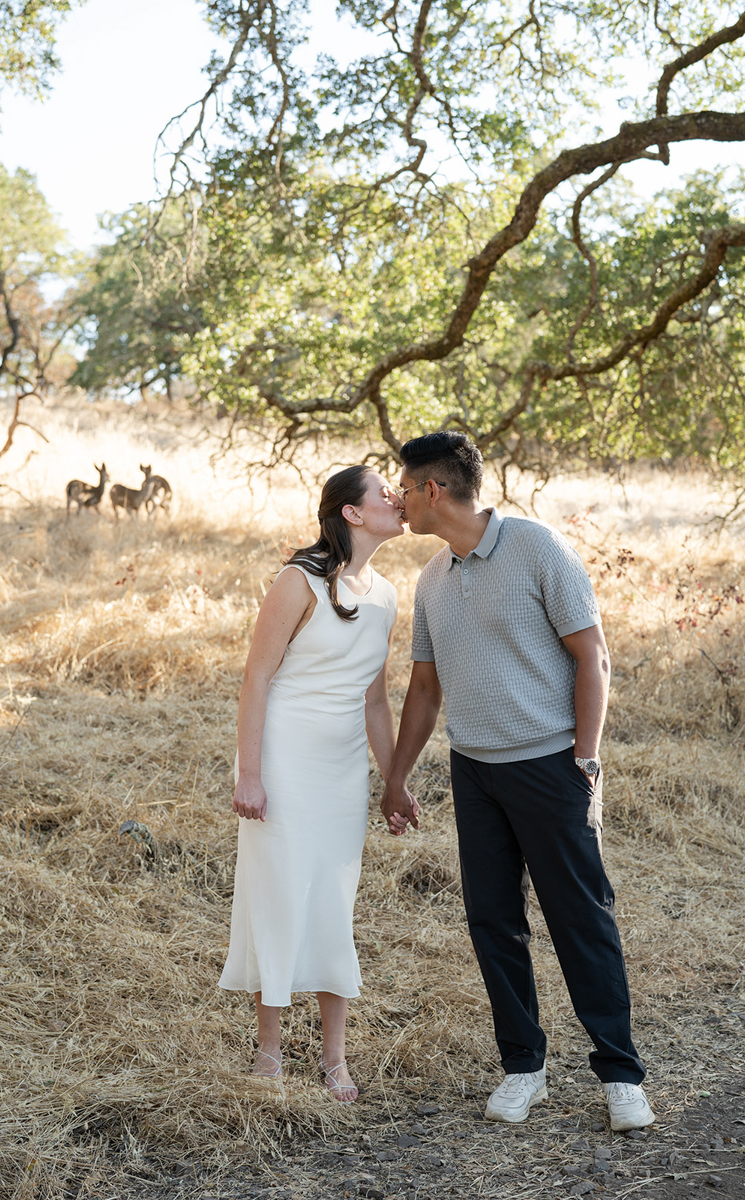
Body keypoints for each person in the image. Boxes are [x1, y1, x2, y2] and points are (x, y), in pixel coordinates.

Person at [381, 431, 654, 1133]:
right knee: (493, 923)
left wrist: (586, 761)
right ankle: (523, 1065)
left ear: (434, 490)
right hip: (474, 772)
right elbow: (423, 688)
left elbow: (592, 656)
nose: (399, 499)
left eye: (405, 487)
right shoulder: (431, 580)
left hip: (550, 765)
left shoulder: (537, 547)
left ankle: (621, 1074)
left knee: (580, 920)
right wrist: (397, 777)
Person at [219, 466, 405, 1102]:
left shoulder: (386, 593)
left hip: (343, 770)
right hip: (285, 761)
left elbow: (375, 701)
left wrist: (394, 780)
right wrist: (250, 772)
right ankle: (268, 1052)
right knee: (280, 895)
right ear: (352, 513)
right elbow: (257, 679)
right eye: (385, 493)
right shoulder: (298, 580)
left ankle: (334, 1058)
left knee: (333, 901)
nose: (399, 499)